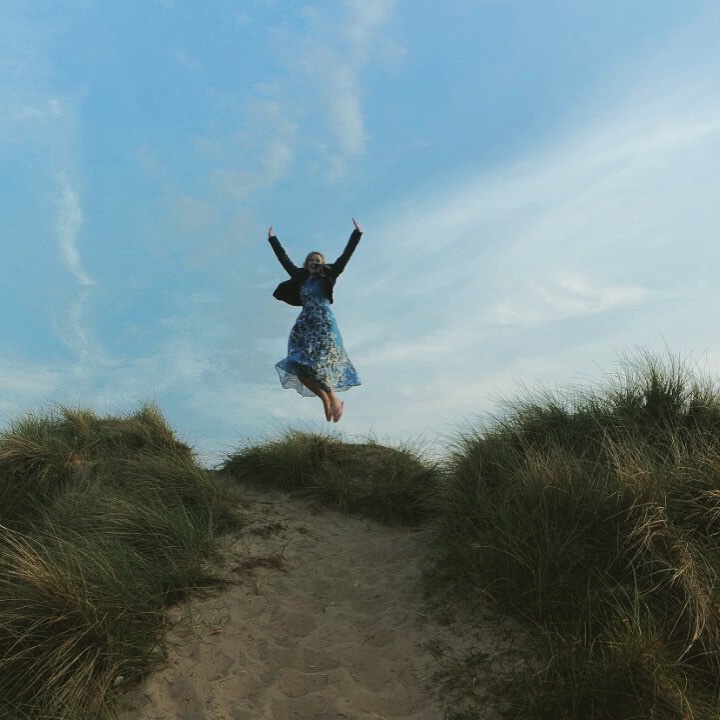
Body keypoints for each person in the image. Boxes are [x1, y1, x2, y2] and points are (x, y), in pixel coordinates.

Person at [268, 218, 362, 422]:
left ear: (323, 265)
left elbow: (345, 256)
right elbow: (284, 260)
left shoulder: (329, 276)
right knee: (298, 366)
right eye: (311, 260)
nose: (314, 262)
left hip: (324, 325)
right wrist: (273, 240)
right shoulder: (300, 277)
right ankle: (326, 400)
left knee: (318, 365)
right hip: (304, 325)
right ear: (306, 264)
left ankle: (334, 399)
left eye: (317, 261)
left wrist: (357, 235)